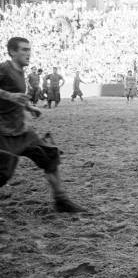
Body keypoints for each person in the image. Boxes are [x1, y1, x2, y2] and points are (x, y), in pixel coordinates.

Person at [0, 37, 84, 212]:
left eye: (29, 49)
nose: (28, 53)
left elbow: (16, 97)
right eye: (23, 49)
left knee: (50, 156)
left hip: (23, 131)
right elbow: (9, 95)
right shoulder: (4, 68)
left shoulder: (21, 71)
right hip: (4, 133)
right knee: (2, 174)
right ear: (12, 52)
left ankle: (60, 200)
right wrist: (10, 96)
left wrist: (28, 106)